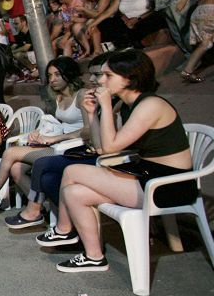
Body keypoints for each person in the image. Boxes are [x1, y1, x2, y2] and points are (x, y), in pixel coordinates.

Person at [37, 50, 195, 272]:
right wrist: (92, 115)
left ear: (130, 78)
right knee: (73, 193)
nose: (100, 81)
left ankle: (64, 229)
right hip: (148, 176)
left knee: (72, 172)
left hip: (169, 185)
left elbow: (110, 147)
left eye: (108, 76)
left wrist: (107, 107)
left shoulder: (150, 105)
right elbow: (102, 148)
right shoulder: (130, 105)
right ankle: (93, 257)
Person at [0, 57, 87, 213]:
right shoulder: (59, 96)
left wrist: (55, 138)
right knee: (16, 169)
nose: (52, 80)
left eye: (57, 75)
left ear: (69, 74)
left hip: (75, 147)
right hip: (58, 143)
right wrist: (38, 132)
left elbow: (88, 130)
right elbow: (58, 124)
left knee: (10, 152)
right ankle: (38, 210)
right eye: (50, 75)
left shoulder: (82, 95)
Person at [86, 0, 168, 51]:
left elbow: (155, 9)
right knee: (105, 23)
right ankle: (116, 47)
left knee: (149, 22)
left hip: (144, 20)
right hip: (126, 23)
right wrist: (93, 24)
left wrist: (138, 18)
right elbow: (108, 12)